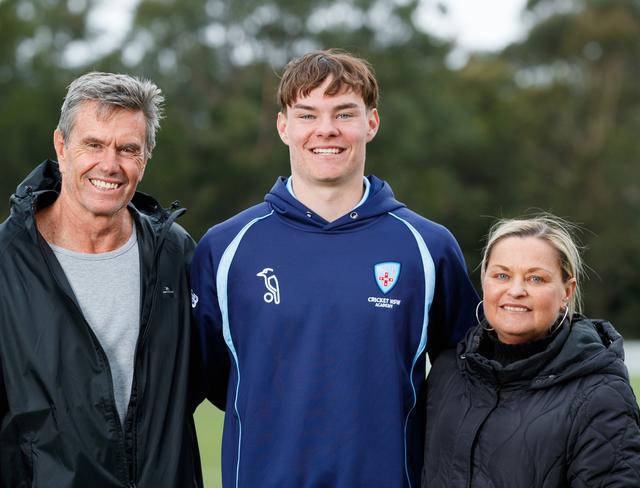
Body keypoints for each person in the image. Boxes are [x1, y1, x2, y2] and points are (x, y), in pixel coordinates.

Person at [191, 49, 478, 488]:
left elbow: (462, 383)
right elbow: (214, 380)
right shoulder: (226, 247)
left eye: (344, 113)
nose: (326, 130)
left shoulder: (428, 247)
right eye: (307, 115)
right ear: (283, 126)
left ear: (372, 123)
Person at [0, 72, 202, 487]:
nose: (110, 165)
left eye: (128, 149)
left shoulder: (175, 253)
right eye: (94, 144)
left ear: (145, 159)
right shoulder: (7, 261)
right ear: (62, 145)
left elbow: (204, 377)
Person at [422, 214, 640, 487]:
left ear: (567, 291)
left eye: (536, 279)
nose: (516, 290)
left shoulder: (599, 394)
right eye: (502, 275)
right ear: (484, 281)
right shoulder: (448, 372)